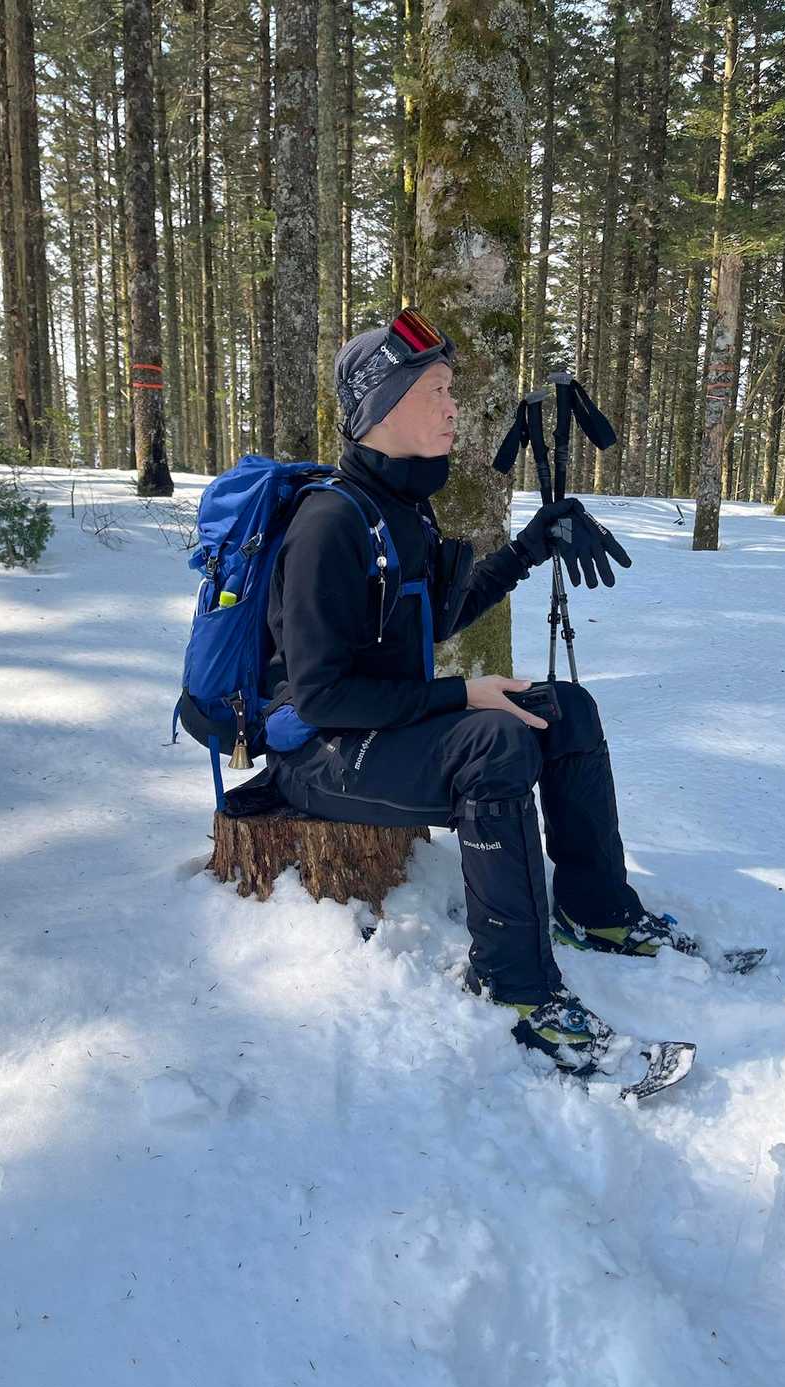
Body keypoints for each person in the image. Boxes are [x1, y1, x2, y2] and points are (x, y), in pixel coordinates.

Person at [263, 309, 677, 1072]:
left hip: (380, 725)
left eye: (451, 390)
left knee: (568, 709)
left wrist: (529, 547)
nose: (455, 408)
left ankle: (596, 911)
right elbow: (318, 698)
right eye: (437, 391)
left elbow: (438, 616)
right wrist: (461, 697)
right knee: (495, 741)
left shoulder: (400, 510)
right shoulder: (329, 525)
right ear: (382, 406)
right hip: (318, 752)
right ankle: (514, 987)